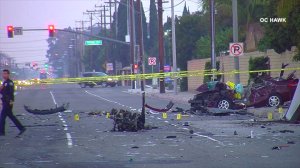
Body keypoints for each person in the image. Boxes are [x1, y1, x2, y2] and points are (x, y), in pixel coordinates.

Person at [0, 69, 26, 136]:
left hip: (8, 102)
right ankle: (21, 128)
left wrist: (10, 102)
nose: (4, 75)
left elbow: (11, 93)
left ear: (8, 74)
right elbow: (2, 91)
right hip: (5, 101)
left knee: (3, 117)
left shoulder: (9, 82)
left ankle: (2, 132)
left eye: (5, 73)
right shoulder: (4, 82)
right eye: (3, 73)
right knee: (10, 116)